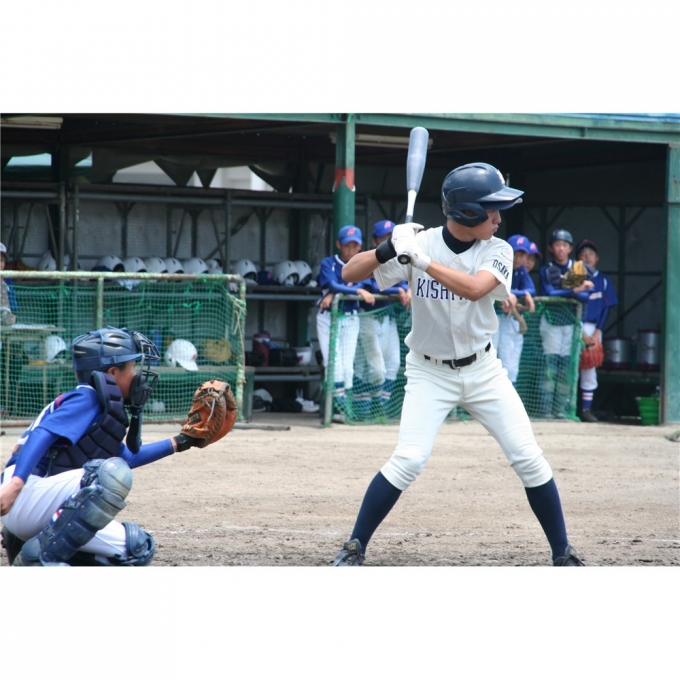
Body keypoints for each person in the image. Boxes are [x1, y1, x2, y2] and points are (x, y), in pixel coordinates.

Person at [333, 162, 584, 567]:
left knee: (527, 456)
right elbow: (349, 273)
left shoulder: (497, 249)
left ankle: (562, 553)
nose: (498, 218)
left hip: (484, 371)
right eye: (491, 210)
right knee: (409, 459)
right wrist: (388, 249)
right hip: (429, 372)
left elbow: (475, 289)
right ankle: (354, 545)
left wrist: (421, 261)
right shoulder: (420, 242)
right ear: (468, 211)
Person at [0, 326, 208, 566]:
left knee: (136, 549)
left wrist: (182, 441)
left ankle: (32, 548)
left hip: (35, 503)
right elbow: (41, 434)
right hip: (25, 494)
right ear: (113, 372)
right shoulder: (86, 398)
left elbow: (128, 458)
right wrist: (16, 485)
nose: (137, 375)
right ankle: (39, 556)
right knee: (110, 474)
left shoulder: (98, 405)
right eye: (132, 367)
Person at [353, 220, 411, 419]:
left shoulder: (401, 259)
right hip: (368, 318)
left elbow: (409, 280)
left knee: (393, 364)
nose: (389, 241)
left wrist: (407, 289)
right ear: (375, 241)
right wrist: (399, 290)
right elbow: (373, 285)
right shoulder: (369, 259)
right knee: (373, 368)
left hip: (388, 319)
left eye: (391, 238)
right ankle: (366, 410)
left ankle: (380, 410)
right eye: (384, 238)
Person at [316, 225, 375, 420]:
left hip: (350, 318)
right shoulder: (329, 263)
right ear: (338, 244)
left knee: (347, 366)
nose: (351, 249)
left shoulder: (364, 263)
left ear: (360, 246)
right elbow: (332, 284)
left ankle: (343, 408)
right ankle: (335, 409)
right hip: (328, 318)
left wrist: (337, 291)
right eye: (347, 245)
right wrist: (354, 290)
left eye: (354, 245)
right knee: (333, 364)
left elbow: (364, 283)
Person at [537, 229, 594, 418]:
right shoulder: (547, 269)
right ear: (551, 248)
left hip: (572, 323)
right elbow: (549, 293)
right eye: (557, 245)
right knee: (550, 366)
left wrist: (572, 290)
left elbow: (586, 297)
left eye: (564, 245)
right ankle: (546, 411)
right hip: (551, 322)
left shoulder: (578, 268)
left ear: (570, 248)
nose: (561, 249)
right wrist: (575, 289)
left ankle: (560, 409)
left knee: (565, 368)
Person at [575, 238, 618, 422]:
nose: (587, 257)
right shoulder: (573, 277)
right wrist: (580, 332)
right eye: (583, 254)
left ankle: (586, 409)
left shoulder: (603, 280)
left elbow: (606, 309)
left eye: (591, 254)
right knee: (568, 368)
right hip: (574, 326)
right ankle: (565, 407)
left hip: (593, 328)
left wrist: (598, 331)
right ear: (578, 258)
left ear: (597, 257)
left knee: (589, 367)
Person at [491, 234, 535, 386]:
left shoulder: (521, 270)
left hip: (509, 319)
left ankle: (508, 393)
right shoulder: (498, 264)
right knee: (491, 357)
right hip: (493, 317)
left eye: (522, 254)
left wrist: (515, 293)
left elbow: (531, 289)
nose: (517, 258)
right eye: (515, 253)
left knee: (509, 361)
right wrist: (510, 293)